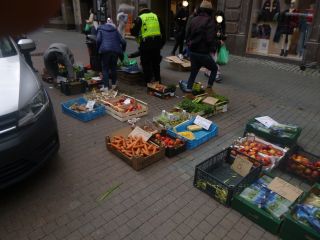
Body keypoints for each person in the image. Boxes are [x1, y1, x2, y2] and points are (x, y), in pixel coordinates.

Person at [185, 0, 218, 93]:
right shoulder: (210, 21)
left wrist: (189, 45)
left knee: (193, 72)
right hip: (203, 52)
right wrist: (214, 46)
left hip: (193, 51)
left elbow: (187, 35)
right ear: (210, 11)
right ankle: (209, 88)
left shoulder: (193, 19)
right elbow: (209, 39)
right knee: (214, 69)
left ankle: (188, 90)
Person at [130, 3, 166, 85]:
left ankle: (148, 82)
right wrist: (161, 44)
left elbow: (133, 32)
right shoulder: (156, 16)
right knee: (156, 64)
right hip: (157, 44)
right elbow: (163, 32)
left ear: (140, 9)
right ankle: (158, 81)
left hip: (146, 45)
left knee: (146, 64)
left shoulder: (139, 18)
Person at [97, 18, 126, 91]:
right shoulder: (115, 31)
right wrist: (122, 50)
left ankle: (106, 87)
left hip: (105, 51)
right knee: (113, 68)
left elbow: (98, 40)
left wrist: (99, 48)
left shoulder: (101, 29)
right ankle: (113, 85)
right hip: (115, 51)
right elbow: (123, 42)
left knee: (105, 68)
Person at [204, 10, 226, 82]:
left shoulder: (222, 25)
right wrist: (218, 39)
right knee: (214, 60)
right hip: (212, 45)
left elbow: (223, 35)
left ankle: (208, 72)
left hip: (217, 46)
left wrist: (223, 37)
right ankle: (216, 74)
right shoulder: (212, 24)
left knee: (212, 59)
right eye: (217, 16)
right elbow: (209, 37)